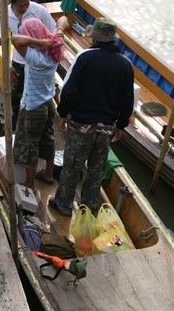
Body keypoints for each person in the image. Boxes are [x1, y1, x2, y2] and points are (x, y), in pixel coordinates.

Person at [49, 18, 134, 217]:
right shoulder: (125, 65)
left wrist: (62, 114)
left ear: (94, 38)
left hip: (81, 125)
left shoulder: (85, 57)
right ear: (113, 40)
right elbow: (127, 100)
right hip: (105, 127)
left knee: (72, 166)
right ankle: (89, 208)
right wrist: (120, 124)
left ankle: (63, 203)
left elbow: (68, 92)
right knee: (96, 170)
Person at [11, 18, 64, 188]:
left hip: (33, 107)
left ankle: (29, 182)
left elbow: (15, 39)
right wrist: (57, 32)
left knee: (30, 144)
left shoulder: (35, 57)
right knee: (48, 138)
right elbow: (62, 20)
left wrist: (40, 42)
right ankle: (48, 174)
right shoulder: (56, 51)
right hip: (48, 103)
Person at [7, 0, 58, 118]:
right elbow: (5, 39)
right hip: (19, 60)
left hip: (37, 61)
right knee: (16, 94)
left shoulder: (39, 11)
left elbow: (53, 31)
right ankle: (17, 120)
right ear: (12, 3)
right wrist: (8, 65)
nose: (25, 8)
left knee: (38, 95)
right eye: (21, 6)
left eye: (27, 4)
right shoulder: (6, 14)